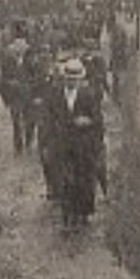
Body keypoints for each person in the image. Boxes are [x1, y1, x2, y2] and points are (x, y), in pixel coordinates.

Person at [43, 55, 105, 228]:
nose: (72, 83)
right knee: (64, 179)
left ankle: (83, 212)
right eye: (69, 79)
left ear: (80, 79)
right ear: (64, 78)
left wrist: (89, 123)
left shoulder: (88, 95)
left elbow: (98, 120)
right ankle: (67, 213)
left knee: (83, 179)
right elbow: (47, 119)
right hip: (61, 143)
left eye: (75, 80)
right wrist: (47, 144)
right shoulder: (55, 95)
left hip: (83, 145)